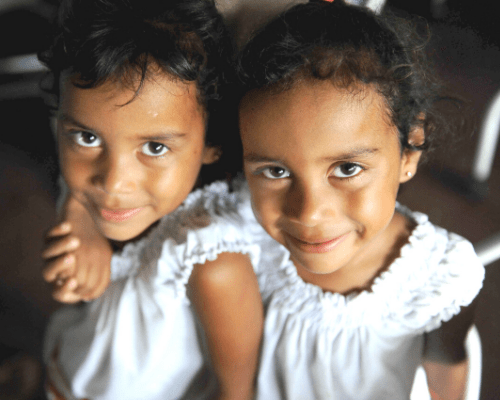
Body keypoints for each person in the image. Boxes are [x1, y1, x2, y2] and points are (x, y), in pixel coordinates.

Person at [236, 1, 484, 399]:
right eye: (276, 171)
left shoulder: (439, 278)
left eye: (347, 169)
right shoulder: (238, 237)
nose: (310, 212)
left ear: (410, 149)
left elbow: (447, 369)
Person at [39, 0, 263, 399]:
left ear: (214, 141)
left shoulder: (213, 263)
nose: (113, 182)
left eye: (155, 148)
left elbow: (235, 392)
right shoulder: (92, 199)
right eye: (87, 137)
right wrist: (78, 218)